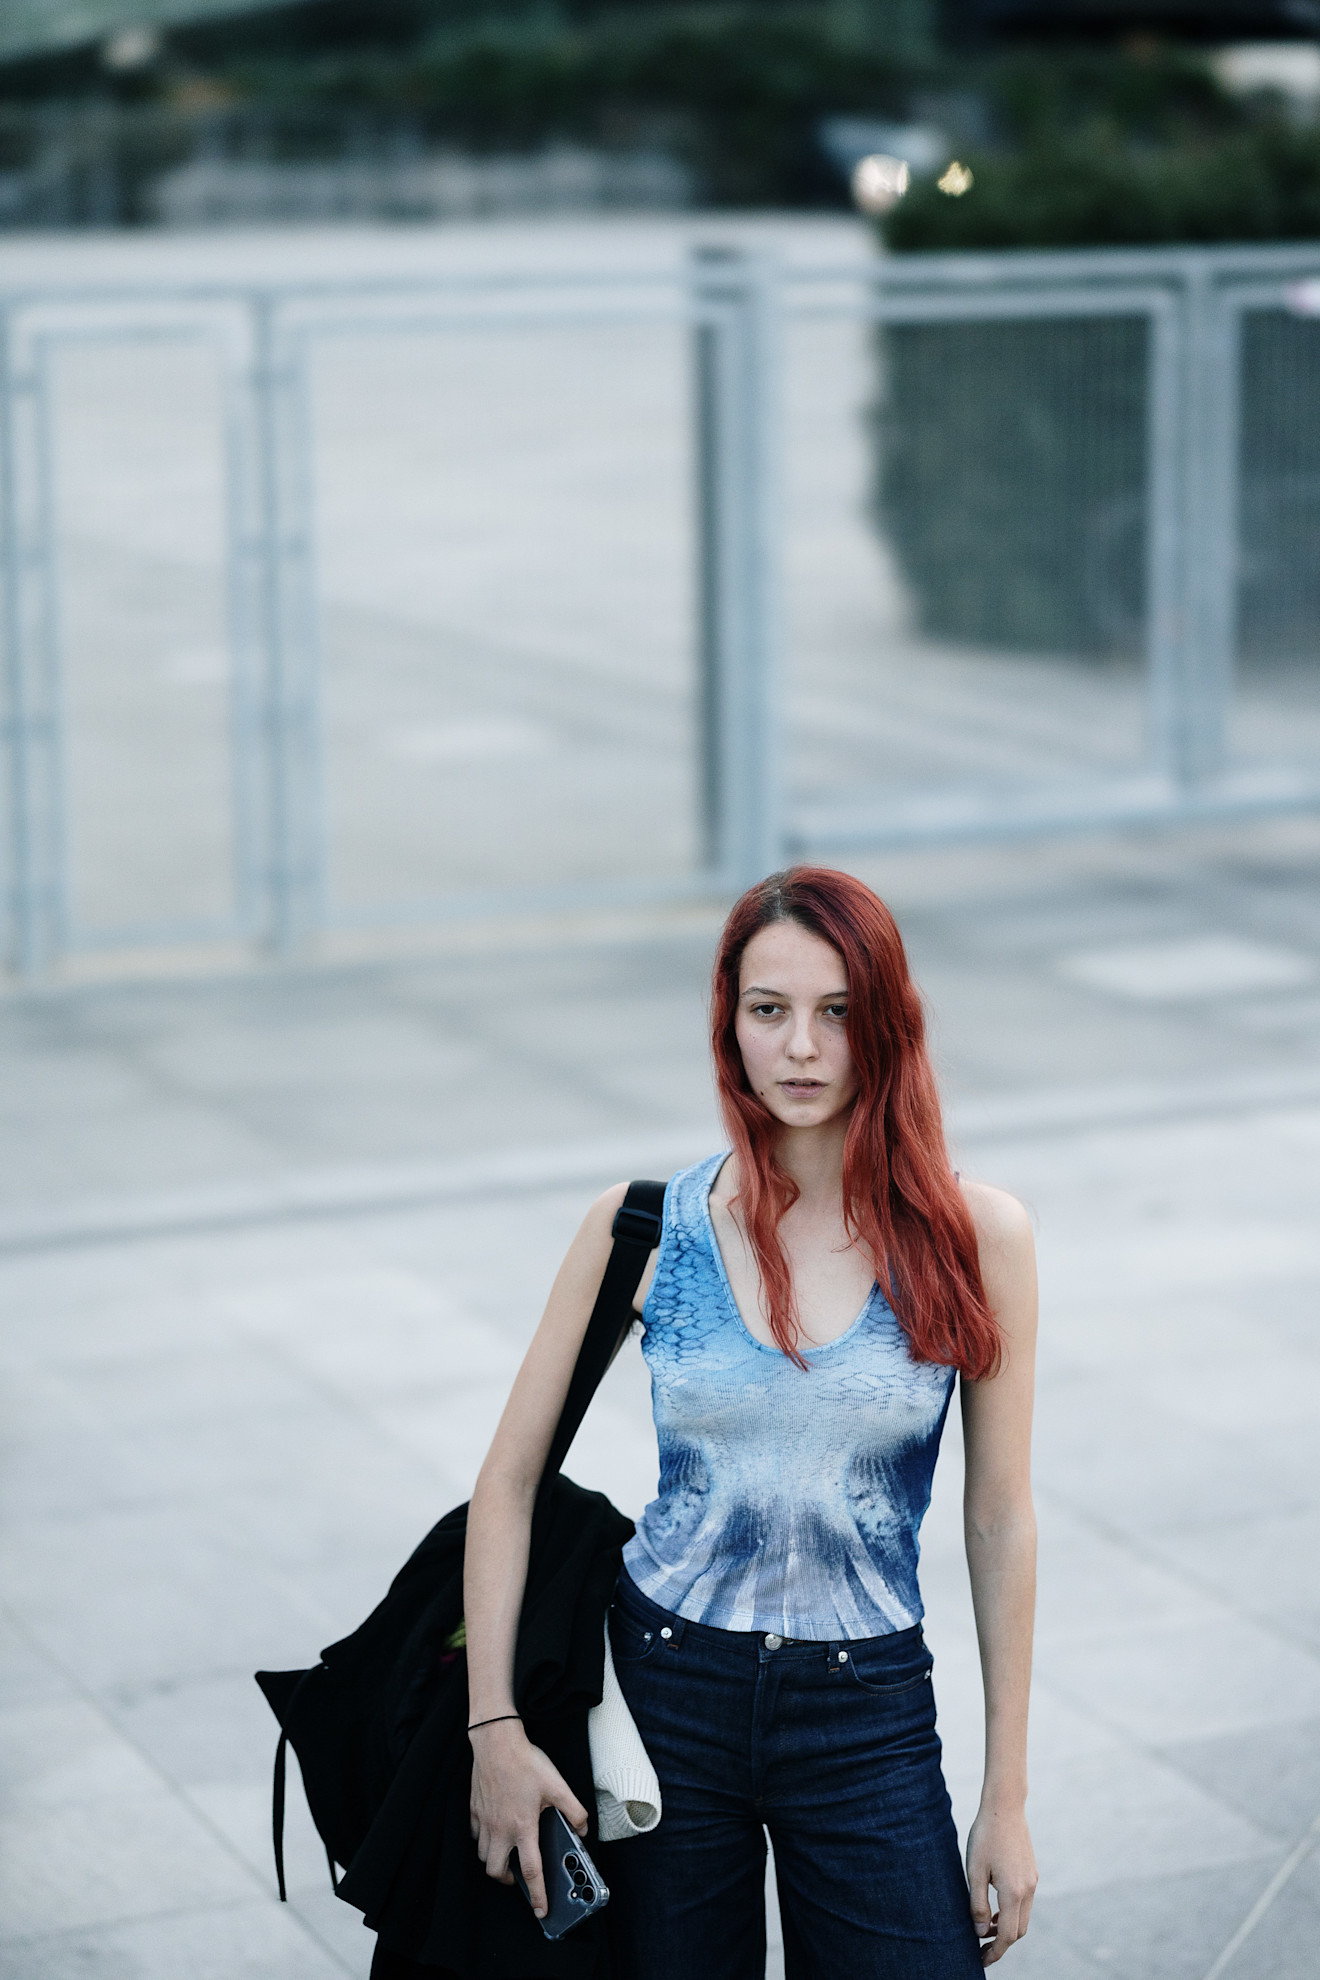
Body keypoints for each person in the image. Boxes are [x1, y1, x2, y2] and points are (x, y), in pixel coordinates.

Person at [461, 865, 1038, 1977]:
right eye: (769, 1011)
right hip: (669, 1693)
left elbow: (1000, 1517)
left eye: (837, 1013)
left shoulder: (977, 1236)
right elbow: (508, 1481)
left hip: (865, 1708)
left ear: (887, 1023)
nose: (804, 1049)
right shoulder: (643, 1228)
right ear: (730, 1024)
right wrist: (495, 1728)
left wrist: (1002, 1799)